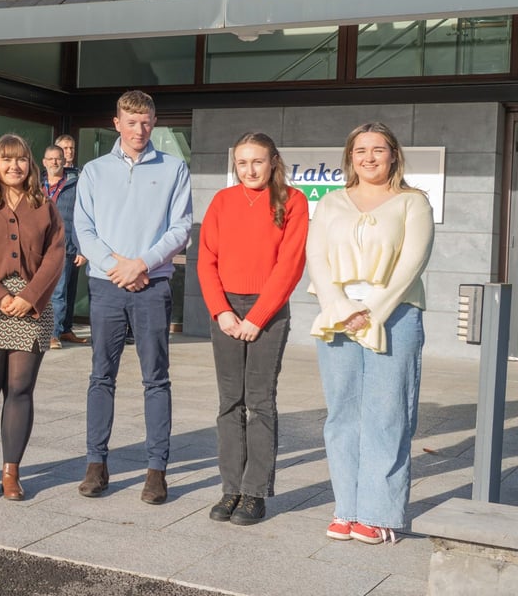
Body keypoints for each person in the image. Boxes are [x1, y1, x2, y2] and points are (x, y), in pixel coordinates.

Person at [307, 123, 433, 545]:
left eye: (378, 149)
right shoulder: (329, 203)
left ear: (393, 155)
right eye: (361, 150)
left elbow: (411, 264)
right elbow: (317, 260)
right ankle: (347, 509)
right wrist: (341, 308)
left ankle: (379, 514)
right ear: (350, 157)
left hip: (395, 316)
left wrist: (372, 311)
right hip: (338, 318)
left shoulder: (413, 203)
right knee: (342, 416)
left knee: (388, 415)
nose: (369, 157)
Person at [74, 89, 192, 505]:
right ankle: (96, 464)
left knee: (155, 379)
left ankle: (156, 470)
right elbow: (83, 230)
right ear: (116, 123)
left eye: (146, 122)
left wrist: (141, 264)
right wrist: (116, 266)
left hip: (152, 285)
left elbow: (180, 229)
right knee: (100, 377)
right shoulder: (93, 171)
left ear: (154, 123)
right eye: (131, 122)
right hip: (107, 285)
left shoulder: (175, 168)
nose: (139, 129)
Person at [197, 133, 307, 525]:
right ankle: (231, 489)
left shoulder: (292, 201)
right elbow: (206, 258)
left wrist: (257, 317)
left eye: (257, 161)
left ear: (273, 161)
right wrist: (221, 312)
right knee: (229, 401)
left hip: (269, 311)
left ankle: (255, 492)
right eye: (242, 163)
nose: (249, 170)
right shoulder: (222, 201)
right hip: (226, 309)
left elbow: (290, 265)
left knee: (259, 401)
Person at [0, 134, 66, 501]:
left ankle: (11, 472)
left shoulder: (44, 206)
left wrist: (29, 297)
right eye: (6, 160)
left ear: (30, 164)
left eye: (20, 159)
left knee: (19, 391)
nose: (14, 166)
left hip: (30, 309)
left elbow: (55, 257)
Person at [40, 145, 87, 350]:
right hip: (39, 247)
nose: (54, 163)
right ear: (44, 162)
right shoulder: (35, 184)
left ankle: (54, 333)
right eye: (50, 159)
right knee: (46, 291)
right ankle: (49, 330)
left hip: (65, 246)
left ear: (64, 161)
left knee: (60, 292)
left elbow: (83, 218)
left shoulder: (76, 185)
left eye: (58, 159)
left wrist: (82, 248)